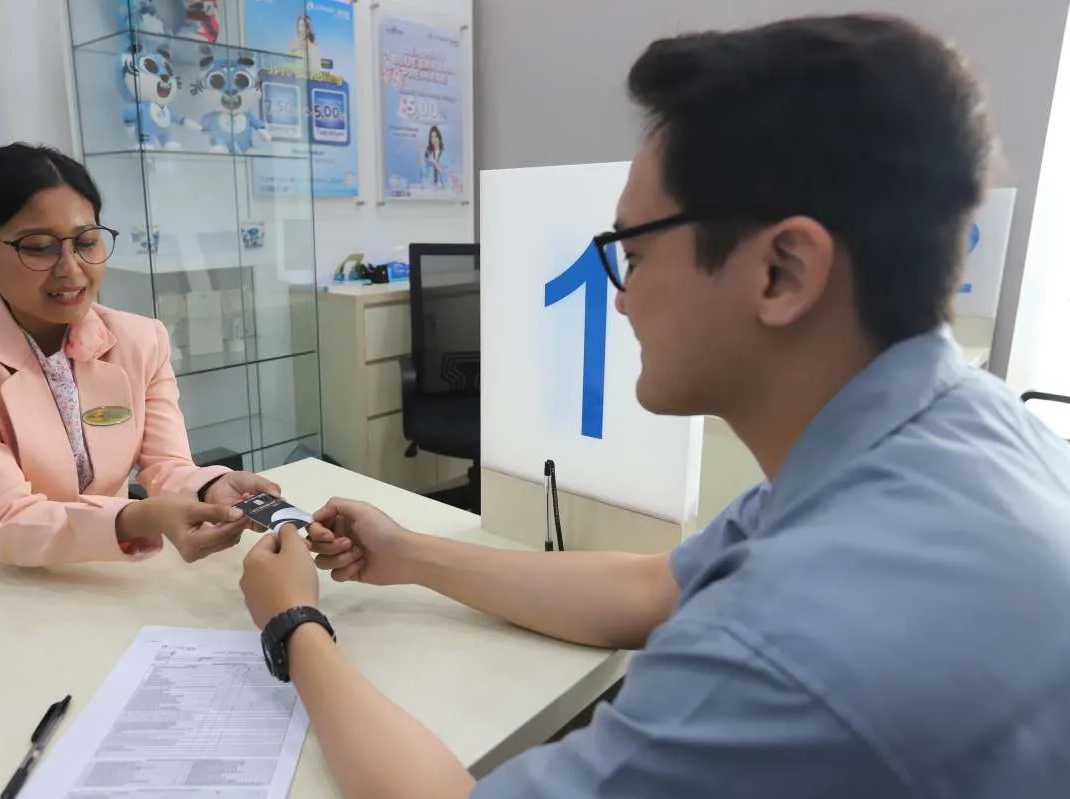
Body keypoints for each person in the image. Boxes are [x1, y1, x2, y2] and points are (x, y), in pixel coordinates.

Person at [237, 14, 1070, 799]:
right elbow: (647, 587)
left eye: (633, 255)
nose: (624, 301)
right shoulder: (953, 429)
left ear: (784, 272)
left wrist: (295, 624)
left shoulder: (783, 652)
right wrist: (410, 553)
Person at [0, 143, 279, 568]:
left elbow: (167, 465)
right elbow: (5, 521)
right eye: (38, 246)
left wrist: (211, 488)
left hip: (103, 565)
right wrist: (137, 517)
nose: (72, 270)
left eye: (87, 242)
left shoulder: (141, 340)